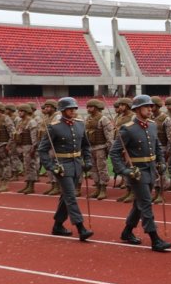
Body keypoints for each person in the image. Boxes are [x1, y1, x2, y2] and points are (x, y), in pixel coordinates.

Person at [110, 95, 171, 251]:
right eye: (147, 107)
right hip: (137, 172)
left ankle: (127, 231)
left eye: (151, 107)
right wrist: (124, 170)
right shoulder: (128, 128)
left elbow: (157, 145)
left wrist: (161, 162)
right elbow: (114, 152)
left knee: (139, 204)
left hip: (151, 168)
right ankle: (155, 239)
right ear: (137, 109)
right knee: (146, 203)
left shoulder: (151, 125)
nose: (150, 109)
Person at [37, 97, 93, 241]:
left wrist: (87, 160)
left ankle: (57, 225)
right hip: (62, 166)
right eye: (69, 109)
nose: (73, 111)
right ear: (62, 110)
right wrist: (51, 166)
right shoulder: (54, 127)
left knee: (66, 197)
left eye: (74, 108)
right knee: (71, 196)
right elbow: (42, 150)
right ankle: (81, 228)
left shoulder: (80, 124)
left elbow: (86, 145)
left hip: (77, 165)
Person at [84, 99, 114, 200]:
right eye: (88, 107)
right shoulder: (88, 119)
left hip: (101, 147)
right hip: (90, 148)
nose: (88, 109)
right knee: (93, 169)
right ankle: (97, 187)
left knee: (102, 169)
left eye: (91, 107)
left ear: (96, 107)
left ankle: (103, 189)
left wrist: (109, 148)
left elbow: (109, 135)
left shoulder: (103, 119)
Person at [14, 104, 40, 195]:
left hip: (29, 146)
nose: (20, 113)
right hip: (22, 146)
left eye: (22, 111)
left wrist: (33, 149)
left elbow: (34, 138)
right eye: (19, 111)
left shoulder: (31, 122)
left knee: (30, 166)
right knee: (26, 166)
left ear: (26, 112)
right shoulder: (20, 122)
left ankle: (31, 186)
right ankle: (27, 183)